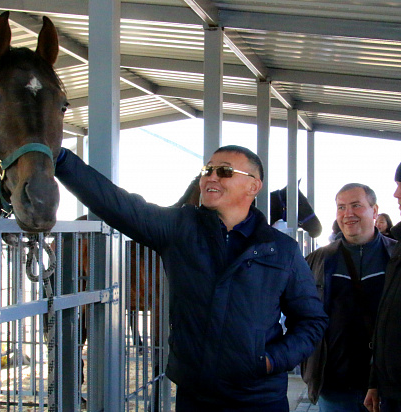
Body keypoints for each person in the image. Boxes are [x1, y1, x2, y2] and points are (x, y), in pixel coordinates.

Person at [55, 144, 328, 411]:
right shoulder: (180, 229)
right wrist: (61, 159)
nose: (211, 177)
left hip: (261, 399)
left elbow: (311, 321)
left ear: (253, 186)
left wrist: (270, 361)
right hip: (195, 398)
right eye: (207, 170)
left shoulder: (282, 250)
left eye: (224, 171)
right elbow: (118, 204)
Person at [302, 183, 397, 411]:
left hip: (389, 386)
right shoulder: (318, 260)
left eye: (356, 205)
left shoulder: (396, 256)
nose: (348, 214)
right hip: (334, 385)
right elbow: (301, 315)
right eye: (341, 207)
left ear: (374, 211)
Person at [364, 162, 401, 412]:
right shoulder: (398, 246)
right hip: (391, 391)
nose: (396, 194)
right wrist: (375, 381)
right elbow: (387, 319)